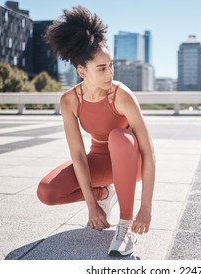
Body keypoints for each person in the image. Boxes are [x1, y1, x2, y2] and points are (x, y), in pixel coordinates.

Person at [36, 6, 155, 257]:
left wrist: (145, 208)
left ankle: (125, 227)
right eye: (101, 68)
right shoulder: (70, 100)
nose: (110, 73)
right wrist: (92, 203)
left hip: (130, 160)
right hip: (99, 163)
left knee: (119, 136)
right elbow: (78, 155)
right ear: (82, 71)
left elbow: (148, 150)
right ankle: (104, 193)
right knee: (47, 191)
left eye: (111, 66)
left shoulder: (121, 95)